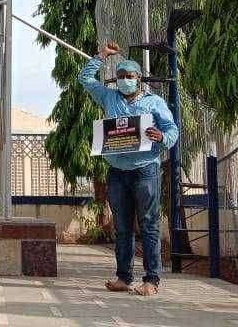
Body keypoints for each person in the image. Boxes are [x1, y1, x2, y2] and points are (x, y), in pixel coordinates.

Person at [78, 41, 178, 296]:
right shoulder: (108, 96)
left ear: (139, 79)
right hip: (117, 171)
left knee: (149, 224)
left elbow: (172, 130)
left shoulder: (154, 102)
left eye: (130, 76)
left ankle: (151, 279)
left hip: (146, 170)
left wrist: (161, 137)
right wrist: (102, 55)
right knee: (122, 227)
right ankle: (123, 277)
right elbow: (85, 79)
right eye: (121, 76)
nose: (125, 80)